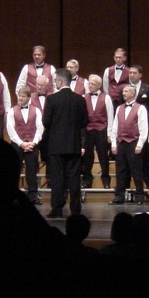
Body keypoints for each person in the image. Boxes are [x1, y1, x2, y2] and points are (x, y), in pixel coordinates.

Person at [41, 68, 88, 218]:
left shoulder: (52, 99)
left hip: (56, 145)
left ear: (60, 82)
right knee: (74, 178)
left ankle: (57, 209)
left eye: (56, 81)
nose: (55, 83)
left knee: (57, 178)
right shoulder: (80, 99)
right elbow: (85, 121)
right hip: (74, 144)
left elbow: (46, 122)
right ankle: (75, 210)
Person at [109, 84, 148, 205]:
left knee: (136, 170)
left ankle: (139, 195)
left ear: (132, 93)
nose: (123, 93)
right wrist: (114, 143)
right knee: (120, 170)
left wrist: (140, 144)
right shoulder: (119, 108)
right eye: (123, 91)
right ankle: (119, 196)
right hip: (121, 142)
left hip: (133, 142)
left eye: (126, 91)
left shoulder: (140, 108)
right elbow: (115, 126)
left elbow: (143, 127)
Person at [6, 86, 44, 205]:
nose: (20, 98)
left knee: (32, 171)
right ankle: (13, 195)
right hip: (17, 144)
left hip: (32, 144)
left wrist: (34, 142)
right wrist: (21, 143)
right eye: (19, 96)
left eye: (23, 96)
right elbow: (10, 129)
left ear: (28, 98)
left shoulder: (36, 110)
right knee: (15, 170)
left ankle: (33, 196)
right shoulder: (12, 111)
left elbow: (40, 127)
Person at [81, 75, 114, 189]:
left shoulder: (106, 97)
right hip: (88, 130)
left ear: (99, 85)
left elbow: (110, 116)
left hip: (102, 130)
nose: (90, 85)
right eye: (89, 83)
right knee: (87, 157)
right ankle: (87, 179)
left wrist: (110, 134)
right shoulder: (83, 97)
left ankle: (106, 180)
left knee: (103, 156)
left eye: (93, 84)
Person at [128, 64, 149, 188]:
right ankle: (127, 183)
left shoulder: (148, 89)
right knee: (129, 156)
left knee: (145, 155)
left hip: (144, 127)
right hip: (129, 129)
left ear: (140, 75)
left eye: (134, 73)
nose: (132, 75)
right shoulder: (124, 89)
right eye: (130, 73)